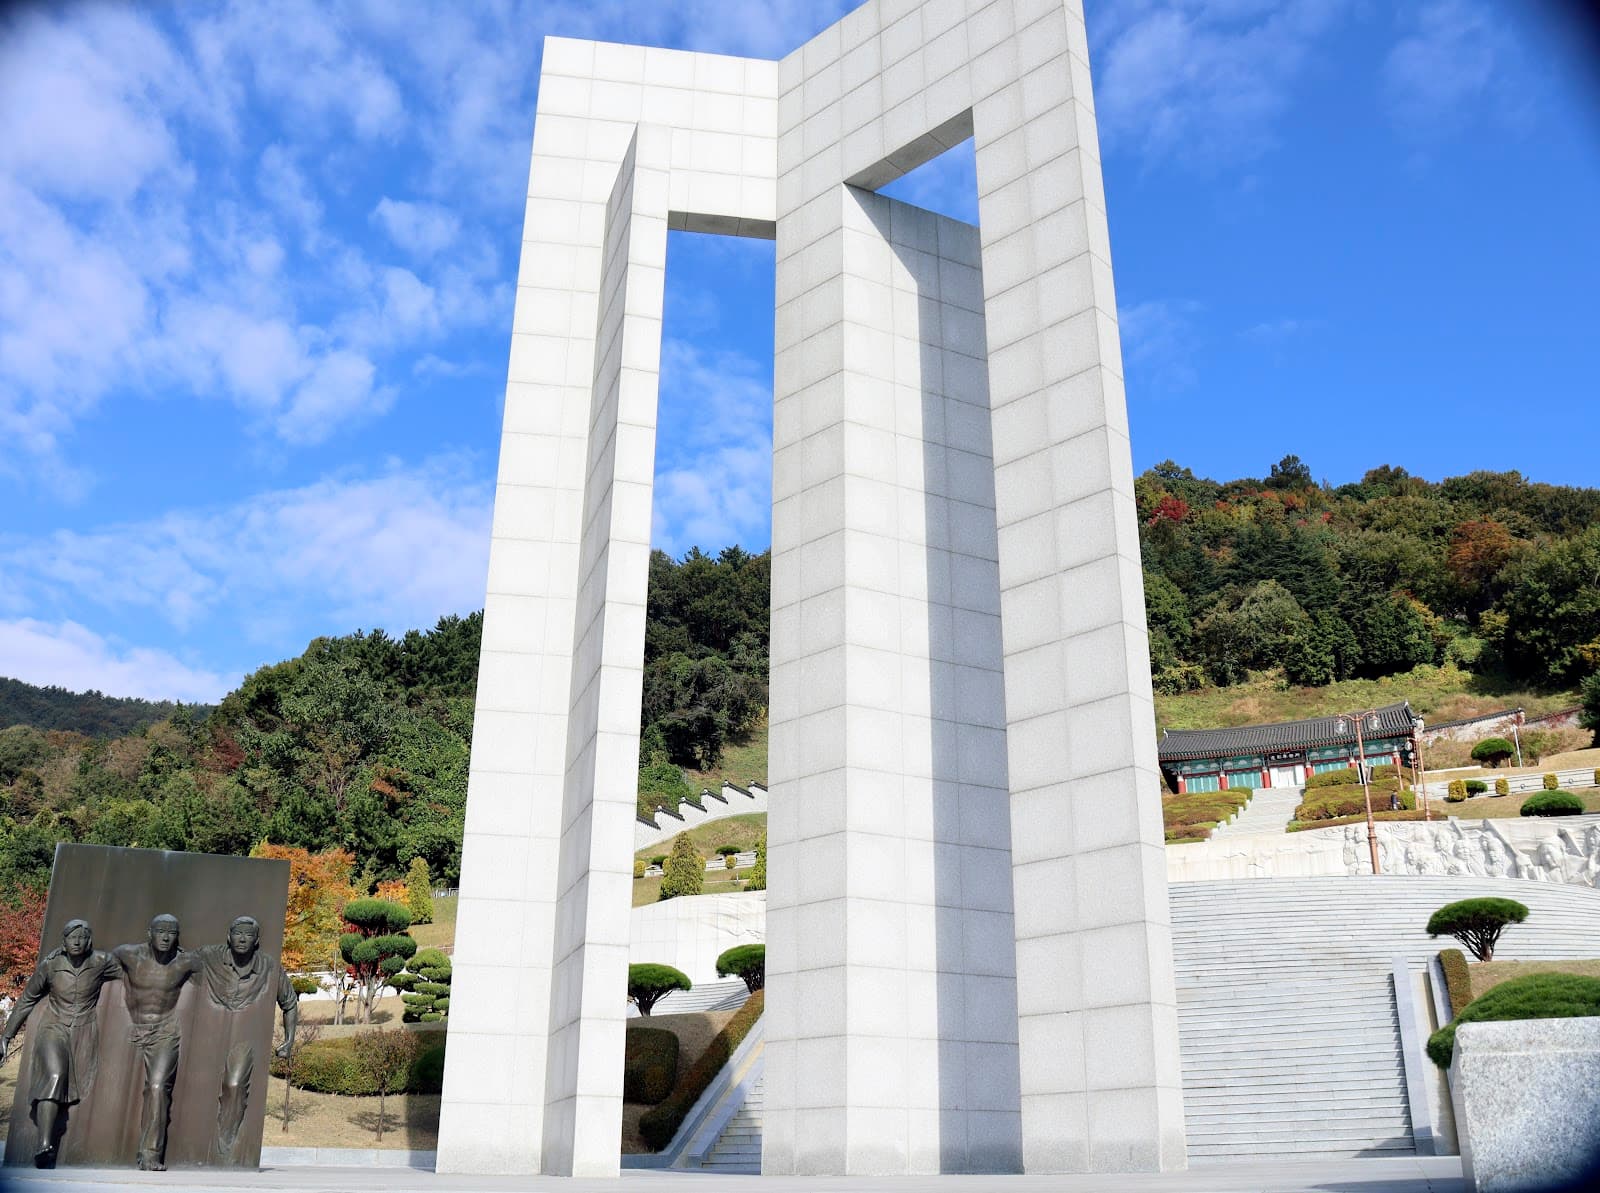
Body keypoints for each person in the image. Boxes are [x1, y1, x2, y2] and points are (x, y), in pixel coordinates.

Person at [0, 920, 121, 1167]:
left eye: (81, 937)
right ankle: (44, 1145)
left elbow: (133, 967)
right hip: (53, 1027)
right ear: (63, 941)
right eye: (71, 937)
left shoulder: (101, 962)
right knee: (54, 1076)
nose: (76, 942)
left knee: (73, 1084)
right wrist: (6, 1036)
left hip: (84, 1032)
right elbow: (26, 1000)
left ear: (89, 941)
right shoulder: (51, 965)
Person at [191, 916, 297, 1157]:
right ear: (229, 937)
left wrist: (289, 1039)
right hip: (209, 1032)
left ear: (257, 940)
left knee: (235, 1084)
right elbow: (178, 962)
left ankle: (226, 1144)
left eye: (248, 935)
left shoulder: (269, 968)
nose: (242, 938)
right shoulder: (210, 955)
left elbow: (289, 1003)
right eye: (237, 933)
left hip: (244, 1035)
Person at [112, 914, 198, 1171]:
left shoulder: (184, 961)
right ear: (149, 933)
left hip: (165, 1031)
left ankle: (150, 1152)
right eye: (160, 931)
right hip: (133, 1030)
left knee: (158, 1087)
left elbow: (221, 966)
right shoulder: (128, 955)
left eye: (171, 932)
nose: (165, 936)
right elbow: (95, 961)